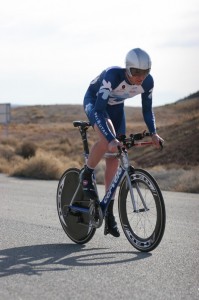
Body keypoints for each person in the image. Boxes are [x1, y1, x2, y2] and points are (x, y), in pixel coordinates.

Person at [80, 48, 164, 238]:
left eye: (145, 72)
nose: (140, 77)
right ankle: (87, 173)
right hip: (95, 103)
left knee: (116, 155)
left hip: (116, 108)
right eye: (136, 72)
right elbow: (100, 110)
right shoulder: (113, 76)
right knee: (107, 138)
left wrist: (154, 134)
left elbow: (147, 110)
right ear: (127, 69)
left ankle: (108, 209)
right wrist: (110, 139)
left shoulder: (147, 82)